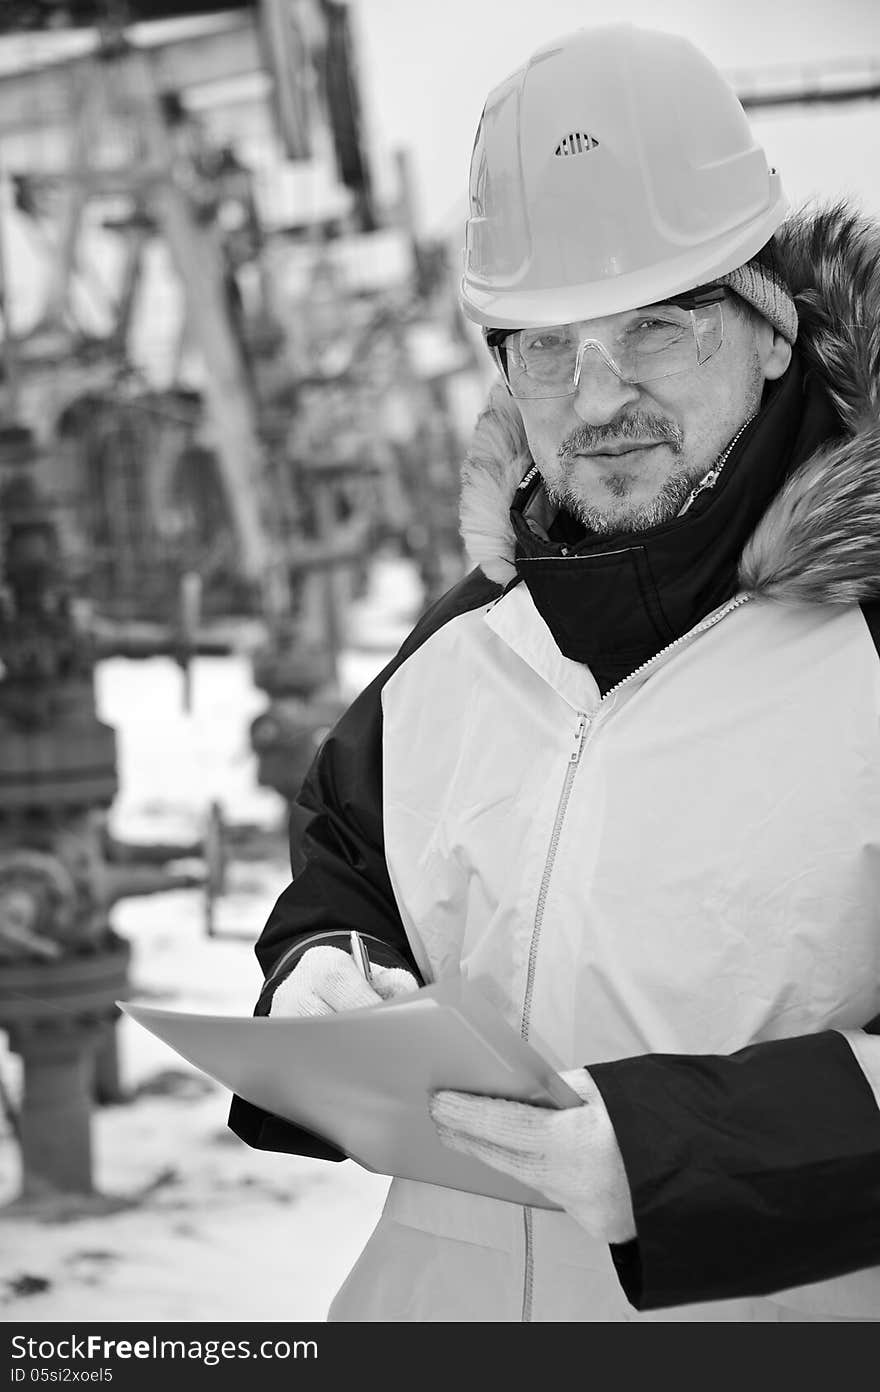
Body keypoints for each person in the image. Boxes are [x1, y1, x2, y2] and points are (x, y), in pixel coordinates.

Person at [229, 22, 880, 1321]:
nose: (597, 398)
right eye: (546, 345)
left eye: (656, 326)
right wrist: (320, 971)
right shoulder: (460, 648)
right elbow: (348, 870)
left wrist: (682, 1157)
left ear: (772, 333)